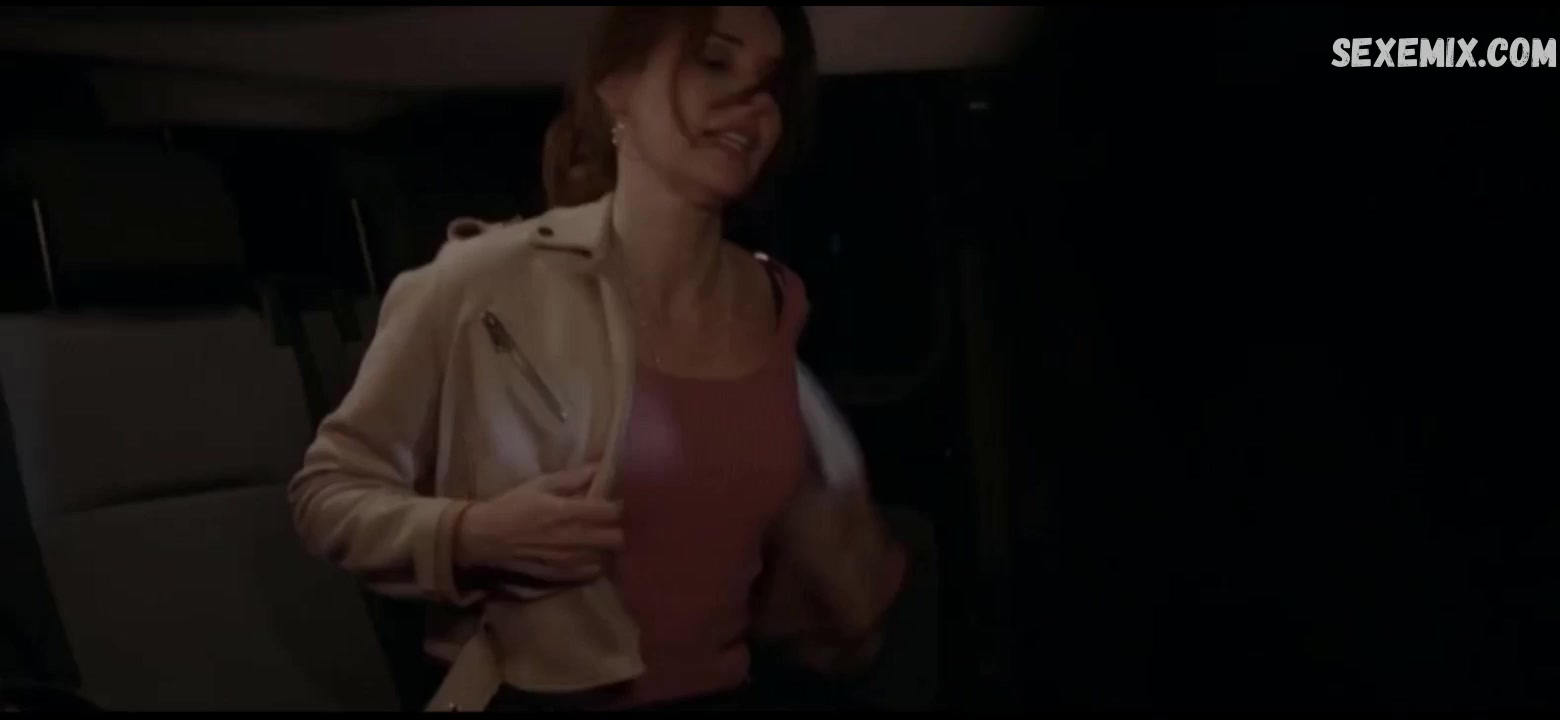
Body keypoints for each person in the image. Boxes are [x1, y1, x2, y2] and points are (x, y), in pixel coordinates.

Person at [288, 6, 907, 712]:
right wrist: (468, 535)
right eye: (714, 61)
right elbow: (327, 494)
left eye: (772, 84)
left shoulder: (777, 298)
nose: (751, 101)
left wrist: (833, 573)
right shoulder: (481, 281)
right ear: (616, 86)